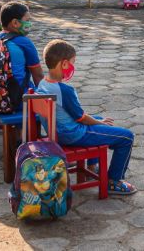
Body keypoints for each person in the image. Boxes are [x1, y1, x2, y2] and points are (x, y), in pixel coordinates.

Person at [36, 39, 137, 195]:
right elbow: (81, 118)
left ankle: (91, 167)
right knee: (126, 137)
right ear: (64, 64)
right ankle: (114, 181)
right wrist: (98, 122)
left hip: (56, 132)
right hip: (72, 134)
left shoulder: (42, 83)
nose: (72, 67)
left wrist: (98, 120)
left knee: (99, 119)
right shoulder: (64, 90)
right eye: (72, 63)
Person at [0, 1, 44, 98]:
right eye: (27, 20)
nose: (29, 23)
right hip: (18, 98)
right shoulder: (24, 42)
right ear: (15, 23)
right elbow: (38, 75)